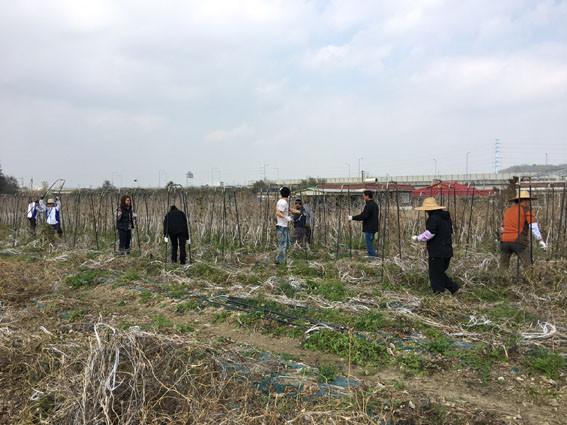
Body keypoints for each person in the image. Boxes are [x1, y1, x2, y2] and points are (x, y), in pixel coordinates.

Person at [411, 197, 459, 295]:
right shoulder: (446, 218)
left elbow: (429, 234)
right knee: (439, 273)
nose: (425, 211)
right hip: (447, 250)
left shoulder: (433, 219)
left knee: (435, 274)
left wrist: (418, 238)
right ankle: (453, 290)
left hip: (437, 251)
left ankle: (440, 292)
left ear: (429, 209)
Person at [499, 190, 547, 270]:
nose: (529, 203)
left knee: (503, 266)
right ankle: (529, 277)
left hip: (504, 241)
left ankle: (501, 277)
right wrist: (540, 240)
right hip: (518, 241)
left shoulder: (508, 211)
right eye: (528, 200)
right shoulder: (526, 211)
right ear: (524, 201)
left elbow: (503, 228)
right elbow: (533, 226)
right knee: (528, 265)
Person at [348, 190, 379, 257]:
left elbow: (364, 216)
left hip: (369, 227)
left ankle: (374, 257)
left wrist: (352, 218)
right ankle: (371, 256)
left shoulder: (369, 205)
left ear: (367, 196)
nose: (363, 197)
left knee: (369, 244)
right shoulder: (375, 204)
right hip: (374, 227)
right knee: (370, 243)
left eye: (364, 196)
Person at [275, 186, 300, 265]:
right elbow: (278, 212)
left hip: (284, 226)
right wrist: (286, 217)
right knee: (283, 245)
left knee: (287, 244)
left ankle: (278, 259)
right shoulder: (283, 202)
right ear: (289, 194)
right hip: (282, 226)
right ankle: (281, 262)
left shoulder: (283, 202)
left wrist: (299, 212)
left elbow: (289, 209)